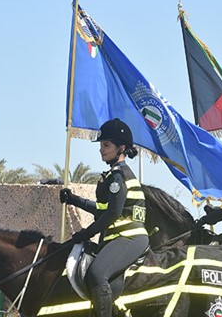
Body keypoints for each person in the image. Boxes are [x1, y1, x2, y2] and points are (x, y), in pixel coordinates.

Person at [59, 118, 149, 317]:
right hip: (117, 238)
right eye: (101, 145)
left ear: (121, 148)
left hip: (130, 237)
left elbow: (113, 214)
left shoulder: (118, 177)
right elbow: (102, 210)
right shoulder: (112, 176)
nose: (101, 149)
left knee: (97, 274)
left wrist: (85, 234)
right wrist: (74, 200)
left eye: (106, 145)